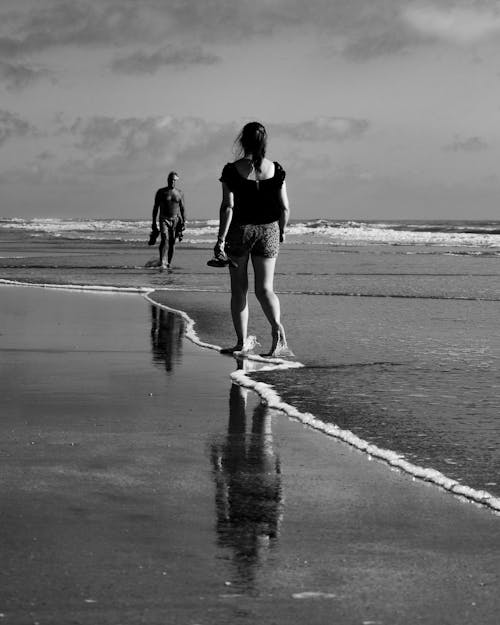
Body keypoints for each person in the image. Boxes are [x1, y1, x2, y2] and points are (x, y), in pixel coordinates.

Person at [214, 121, 290, 356]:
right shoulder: (276, 169)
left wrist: (220, 239)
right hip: (269, 231)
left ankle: (241, 343)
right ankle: (276, 328)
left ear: (243, 141)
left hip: (239, 231)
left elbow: (228, 207)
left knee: (239, 290)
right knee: (265, 289)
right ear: (264, 142)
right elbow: (284, 208)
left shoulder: (231, 170)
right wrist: (282, 231)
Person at [151, 171, 186, 269]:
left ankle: (168, 263)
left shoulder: (180, 193)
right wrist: (154, 222)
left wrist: (184, 222)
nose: (172, 182)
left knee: (172, 242)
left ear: (176, 181)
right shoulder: (161, 192)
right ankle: (162, 262)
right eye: (171, 180)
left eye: (174, 180)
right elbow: (155, 208)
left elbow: (182, 208)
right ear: (168, 180)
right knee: (164, 239)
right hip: (164, 219)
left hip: (175, 220)